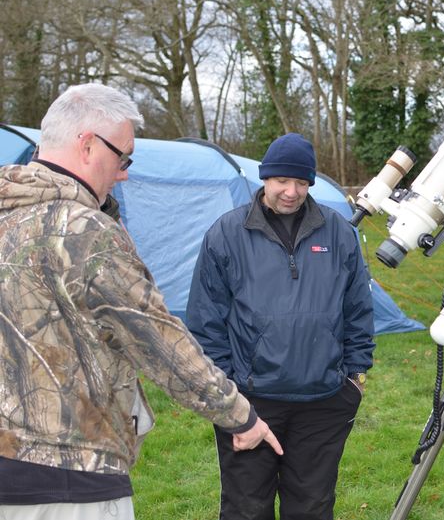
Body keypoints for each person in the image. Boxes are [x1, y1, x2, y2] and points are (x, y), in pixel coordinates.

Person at [0, 84, 282, 520]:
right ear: (88, 144)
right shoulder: (84, 234)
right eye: (123, 157)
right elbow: (159, 342)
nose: (125, 173)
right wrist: (241, 416)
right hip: (71, 479)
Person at [186, 132, 375, 520]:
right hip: (251, 402)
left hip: (323, 402)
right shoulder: (226, 234)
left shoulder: (339, 233)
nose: (292, 191)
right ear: (264, 178)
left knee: (312, 508)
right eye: (282, 181)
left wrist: (355, 373)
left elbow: (357, 306)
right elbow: (206, 321)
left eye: (302, 182)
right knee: (245, 509)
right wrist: (228, 390)